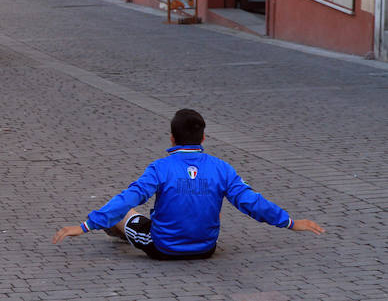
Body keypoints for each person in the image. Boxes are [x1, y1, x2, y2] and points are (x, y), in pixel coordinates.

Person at [51, 109, 325, 260]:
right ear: (203, 138)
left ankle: (117, 230)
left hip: (164, 248)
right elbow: (251, 201)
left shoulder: (160, 168)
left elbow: (129, 198)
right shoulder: (222, 168)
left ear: (172, 138)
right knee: (210, 196)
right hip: (206, 248)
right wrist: (290, 222)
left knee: (125, 212)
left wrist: (85, 226)